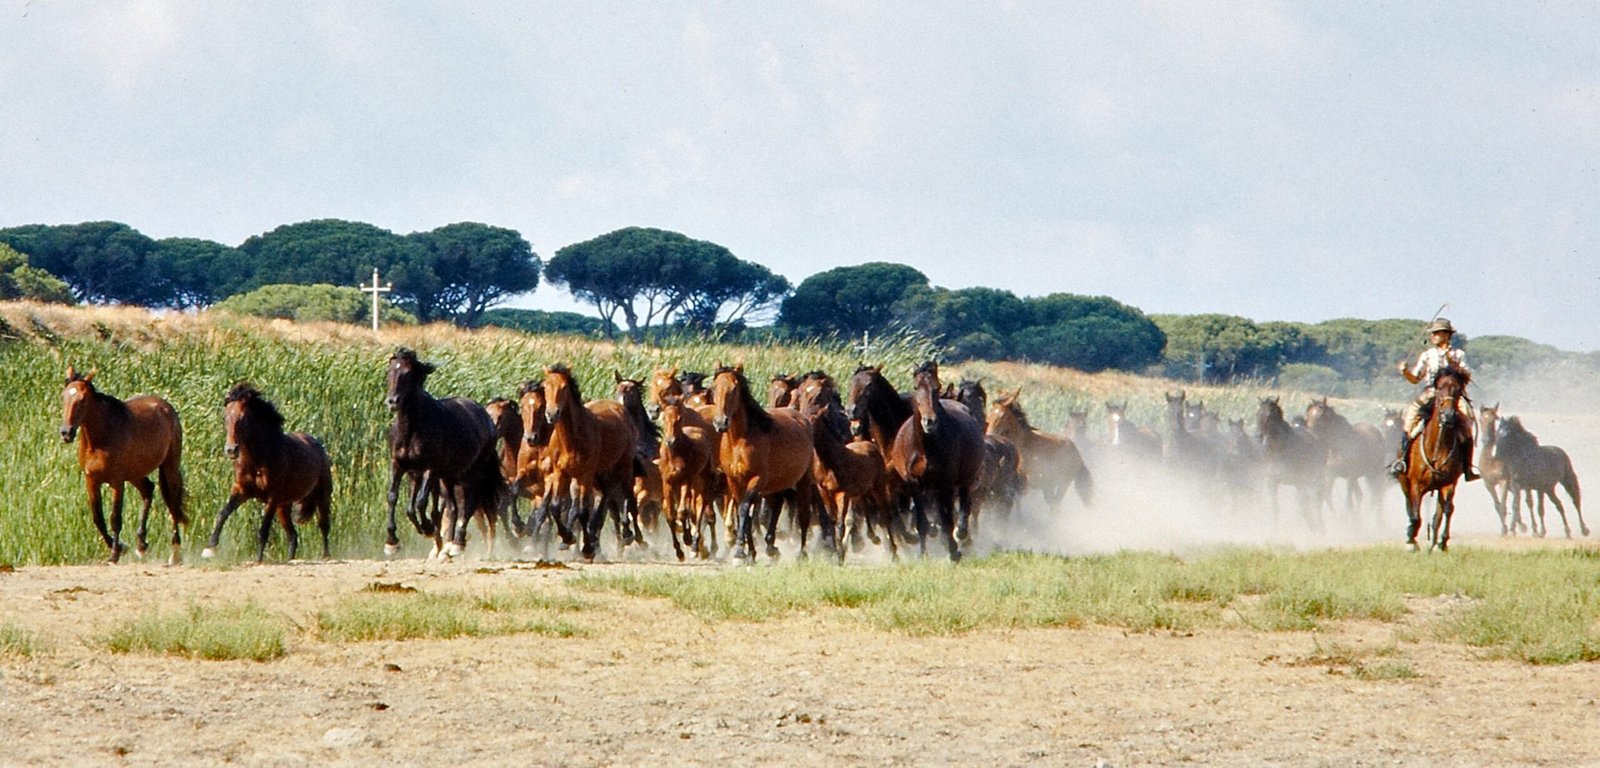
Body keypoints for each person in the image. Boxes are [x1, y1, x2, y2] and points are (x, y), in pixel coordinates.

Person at [1389, 317, 1478, 481]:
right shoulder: (1427, 355)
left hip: (1453, 395)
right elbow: (1415, 378)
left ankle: (1468, 467)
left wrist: (1453, 364)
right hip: (1430, 393)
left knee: (1467, 423)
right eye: (1433, 334)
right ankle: (1401, 461)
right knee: (1409, 421)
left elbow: (1467, 375)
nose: (1433, 336)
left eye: (1437, 333)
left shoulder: (1458, 354)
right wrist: (1405, 371)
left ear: (1446, 335)